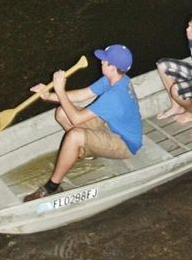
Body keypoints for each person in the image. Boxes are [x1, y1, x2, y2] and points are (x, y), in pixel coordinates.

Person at [23, 43, 142, 202]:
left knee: (74, 136)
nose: (101, 62)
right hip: (111, 126)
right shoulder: (116, 79)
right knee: (62, 112)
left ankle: (52, 187)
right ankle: (87, 151)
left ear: (113, 68)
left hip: (124, 144)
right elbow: (82, 94)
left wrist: (60, 90)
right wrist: (49, 95)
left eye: (104, 61)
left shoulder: (115, 96)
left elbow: (77, 119)